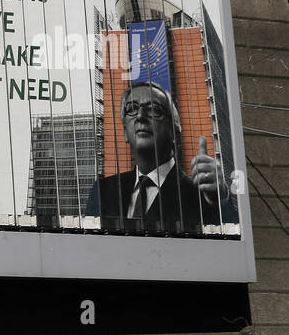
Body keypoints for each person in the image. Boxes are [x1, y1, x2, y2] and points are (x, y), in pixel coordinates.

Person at [84, 81, 238, 232]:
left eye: (154, 109)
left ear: (174, 129)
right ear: (125, 132)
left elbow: (230, 235)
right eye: (132, 108)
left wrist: (220, 198)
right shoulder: (102, 192)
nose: (140, 116)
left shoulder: (202, 196)